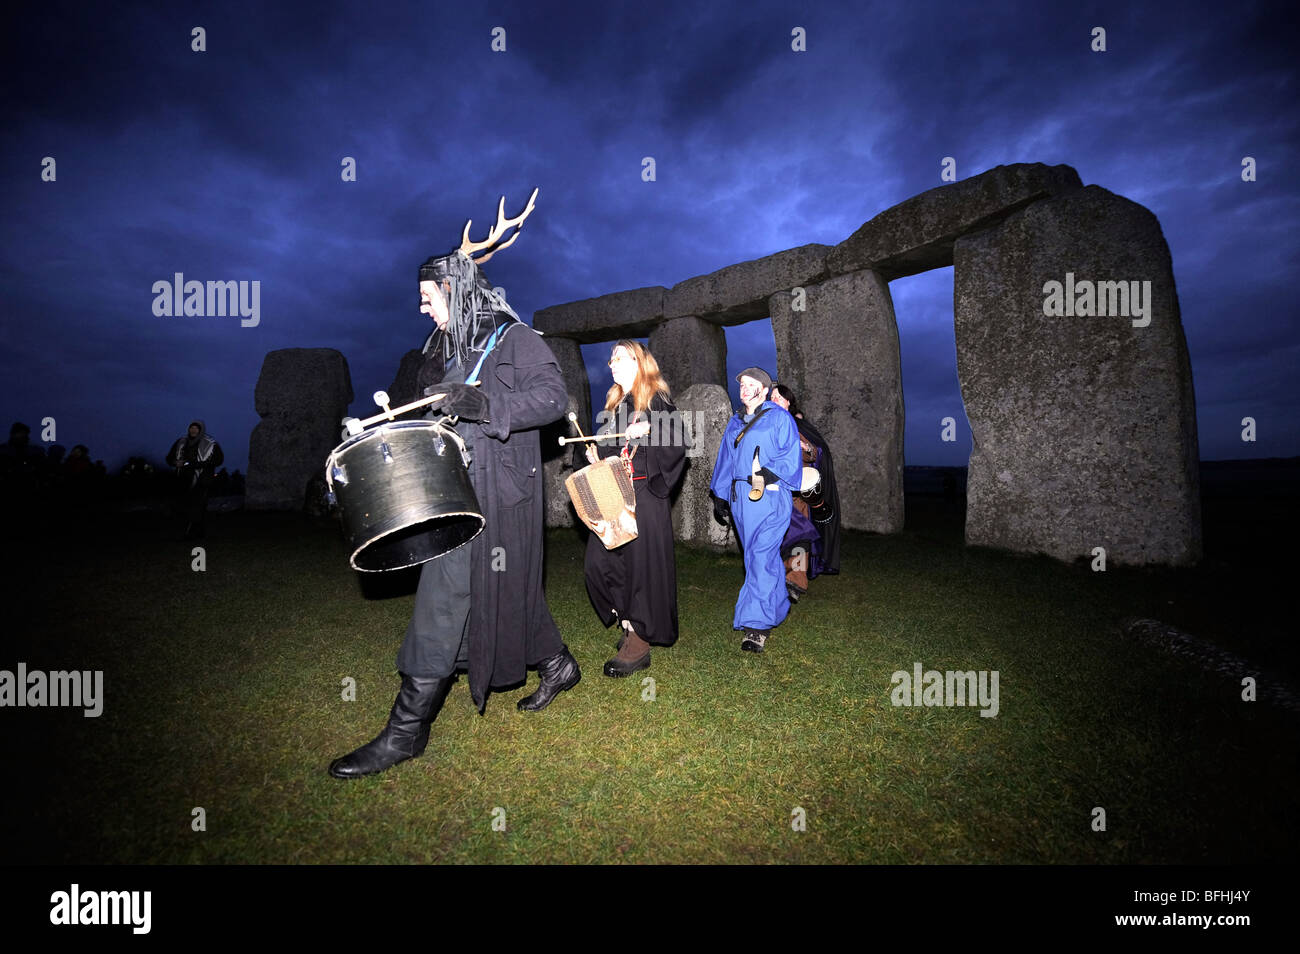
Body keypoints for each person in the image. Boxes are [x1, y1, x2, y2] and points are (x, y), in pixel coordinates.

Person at [330, 191, 580, 780]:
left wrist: (482, 402)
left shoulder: (516, 338)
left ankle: (405, 734)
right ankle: (558, 663)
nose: (421, 309)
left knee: (442, 601)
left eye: (427, 296)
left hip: (502, 497)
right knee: (504, 590)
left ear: (457, 289)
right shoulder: (444, 350)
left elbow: (552, 400)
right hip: (454, 491)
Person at [578, 341, 686, 677]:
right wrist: (597, 455)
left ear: (640, 363)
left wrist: (651, 429)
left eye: (620, 357)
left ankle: (638, 639)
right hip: (615, 494)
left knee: (639, 570)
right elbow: (615, 450)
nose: (612, 364)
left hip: (643, 494)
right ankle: (626, 619)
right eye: (610, 359)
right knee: (600, 563)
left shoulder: (655, 399)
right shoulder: (615, 405)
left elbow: (679, 438)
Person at [708, 367, 801, 653]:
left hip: (770, 497)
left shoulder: (779, 418)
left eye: (751, 384)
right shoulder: (736, 422)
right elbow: (726, 459)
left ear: (764, 388)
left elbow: (791, 455)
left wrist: (771, 474)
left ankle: (756, 626)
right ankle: (778, 602)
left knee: (760, 555)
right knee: (757, 556)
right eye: (742, 384)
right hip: (740, 499)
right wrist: (720, 496)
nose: (745, 388)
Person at [771, 384, 841, 600]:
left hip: (797, 497)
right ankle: (778, 577)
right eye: (771, 397)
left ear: (789, 402)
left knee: (800, 536)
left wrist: (807, 449)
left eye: (779, 397)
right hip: (772, 493)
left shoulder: (796, 424)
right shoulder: (764, 424)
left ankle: (795, 581)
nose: (775, 400)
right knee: (777, 539)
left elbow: (816, 452)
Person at [166, 420, 224, 539]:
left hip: (202, 479)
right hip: (182, 479)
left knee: (198, 506)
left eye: (196, 428)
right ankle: (188, 532)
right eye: (191, 428)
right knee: (182, 506)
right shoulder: (181, 442)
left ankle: (194, 533)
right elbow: (169, 458)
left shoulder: (211, 443)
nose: (193, 430)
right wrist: (175, 462)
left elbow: (219, 460)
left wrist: (199, 464)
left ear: (201, 430)